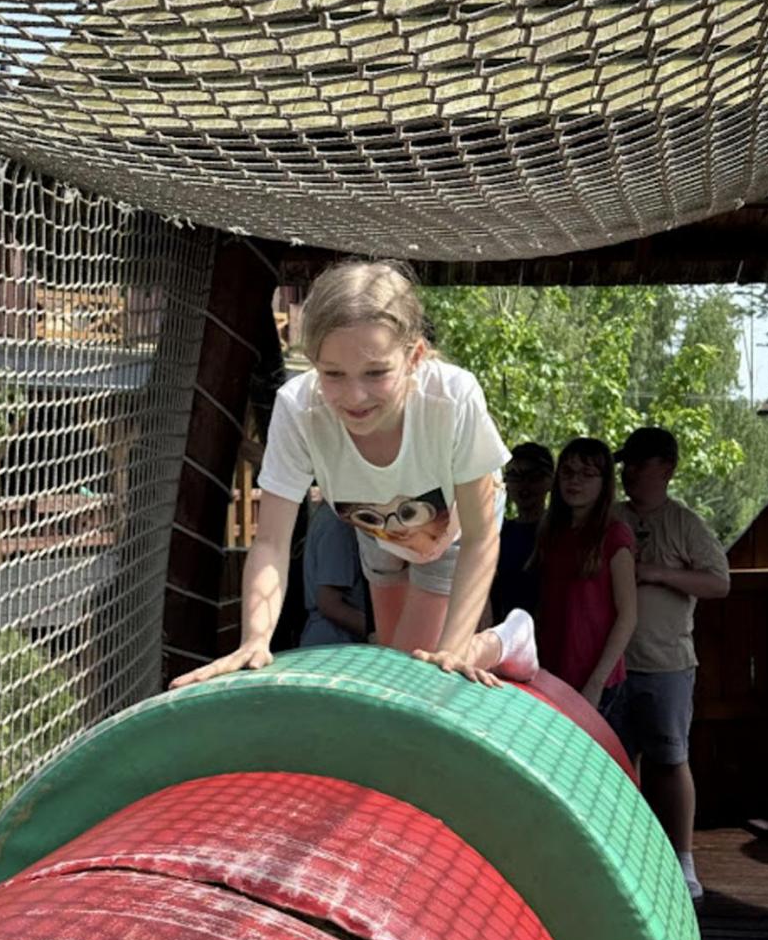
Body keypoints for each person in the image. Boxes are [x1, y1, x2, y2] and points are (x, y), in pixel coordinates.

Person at [169, 261, 538, 690]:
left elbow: (480, 537)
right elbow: (270, 541)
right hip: (376, 527)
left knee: (416, 674)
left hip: (453, 528)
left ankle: (505, 640)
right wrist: (255, 638)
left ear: (414, 357)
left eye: (376, 373)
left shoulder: (451, 398)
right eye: (333, 374)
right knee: (392, 655)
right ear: (314, 364)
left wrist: (453, 652)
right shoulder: (300, 409)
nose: (355, 396)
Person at [611, 426, 730, 903]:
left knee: (670, 760)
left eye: (640, 463)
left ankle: (683, 860)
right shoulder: (611, 517)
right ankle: (624, 858)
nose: (629, 472)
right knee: (615, 765)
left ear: (668, 468)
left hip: (667, 663)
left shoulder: (685, 524)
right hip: (611, 665)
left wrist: (657, 573)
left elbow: (719, 583)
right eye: (626, 463)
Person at [535, 438, 637, 718]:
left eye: (587, 474)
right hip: (553, 671)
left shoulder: (615, 535)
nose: (575, 481)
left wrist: (596, 683)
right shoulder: (551, 530)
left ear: (604, 483)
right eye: (567, 472)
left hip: (596, 677)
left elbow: (628, 615)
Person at [490, 442, 554, 621]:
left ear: (550, 481)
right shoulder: (499, 533)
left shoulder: (561, 532)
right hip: (503, 629)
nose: (524, 484)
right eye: (514, 476)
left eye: (533, 476)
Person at [299, 498, 368, 646]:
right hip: (337, 642)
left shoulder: (327, 516)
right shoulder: (339, 524)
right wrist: (378, 633)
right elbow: (330, 604)